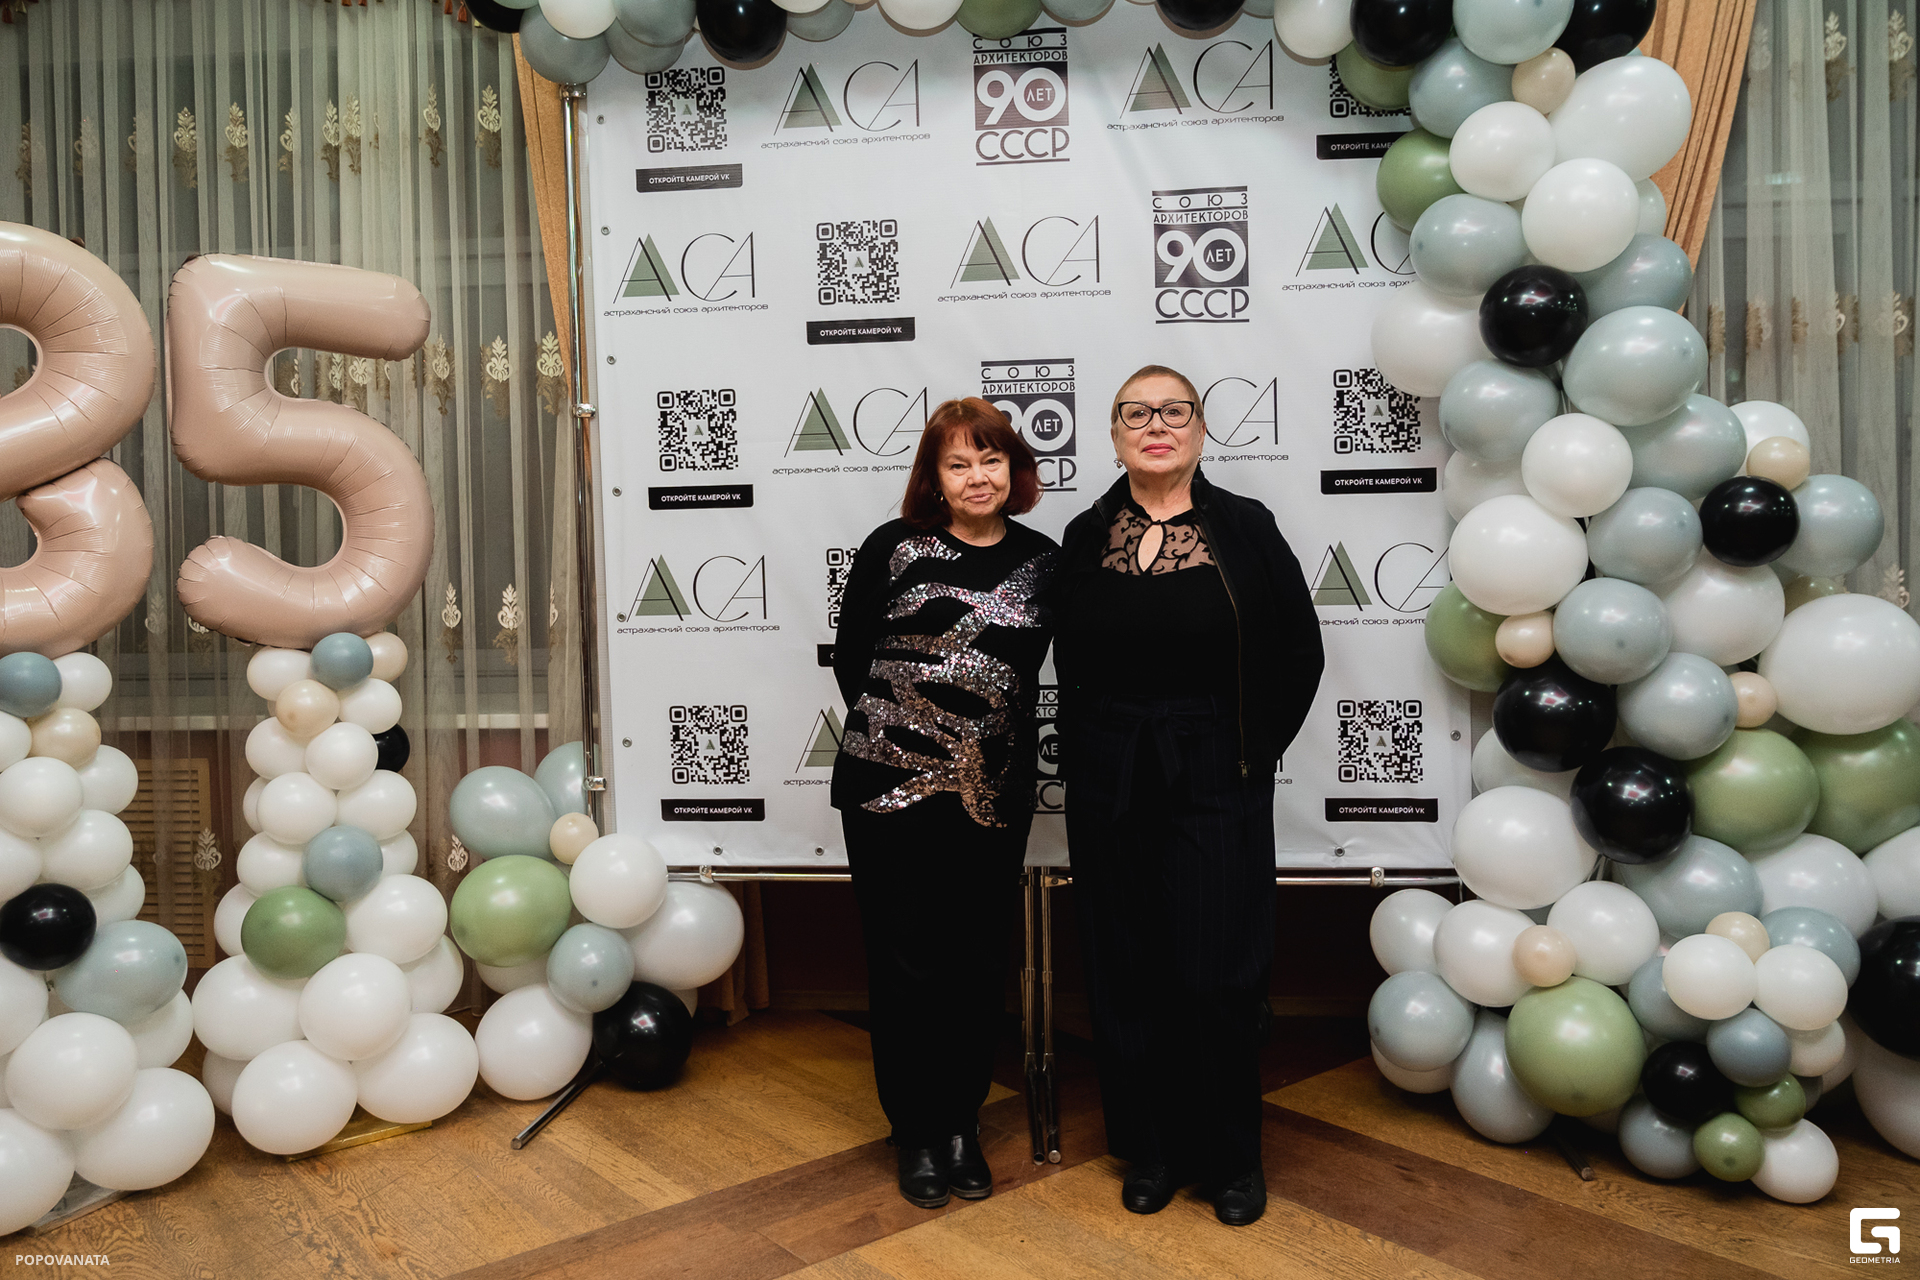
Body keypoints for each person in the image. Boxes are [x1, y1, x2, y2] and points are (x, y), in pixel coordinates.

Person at [1052, 365, 1324, 1226]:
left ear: (1201, 431)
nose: (1156, 425)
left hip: (1216, 768)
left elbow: (1299, 653)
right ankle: (1152, 1148)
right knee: (1125, 965)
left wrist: (1252, 754)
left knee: (1217, 971)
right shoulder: (1085, 533)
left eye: (1174, 410)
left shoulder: (1244, 525)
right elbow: (1068, 661)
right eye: (1136, 413)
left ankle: (1230, 1157)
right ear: (1114, 436)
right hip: (1110, 773)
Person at [831, 397, 1059, 1210]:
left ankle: (961, 1125)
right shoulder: (892, 547)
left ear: (1014, 469)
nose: (976, 476)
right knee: (905, 961)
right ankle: (916, 1132)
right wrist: (913, 740)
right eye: (957, 463)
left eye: (990, 459)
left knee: (974, 960)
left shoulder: (1044, 560)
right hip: (886, 788)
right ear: (933, 477)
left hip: (990, 796)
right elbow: (853, 659)